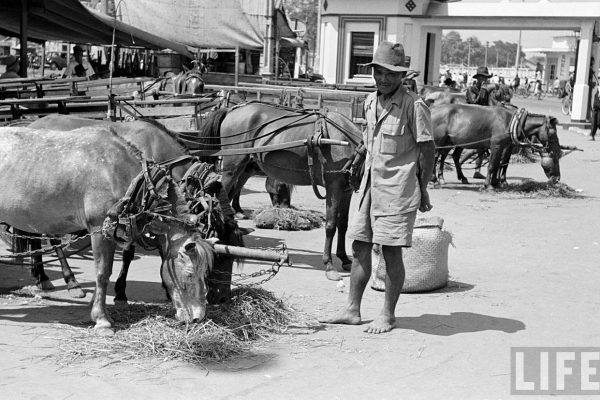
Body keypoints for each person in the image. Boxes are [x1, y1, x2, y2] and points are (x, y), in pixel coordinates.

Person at [319, 41, 435, 334]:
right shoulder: (371, 101)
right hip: (370, 186)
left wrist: (423, 189)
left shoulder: (414, 106)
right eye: (379, 72)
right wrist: (358, 159)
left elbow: (426, 151)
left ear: (402, 76)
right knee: (359, 247)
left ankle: (387, 315)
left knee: (391, 252)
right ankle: (352, 310)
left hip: (399, 189)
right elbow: (368, 140)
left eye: (390, 74)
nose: (383, 78)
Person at [464, 66, 493, 180]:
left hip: (483, 118)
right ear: (478, 78)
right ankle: (461, 162)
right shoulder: (471, 89)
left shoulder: (485, 90)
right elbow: (473, 103)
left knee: (482, 147)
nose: (485, 80)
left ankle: (477, 171)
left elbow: (486, 105)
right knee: (476, 147)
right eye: (483, 77)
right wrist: (481, 91)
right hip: (471, 118)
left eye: (486, 77)